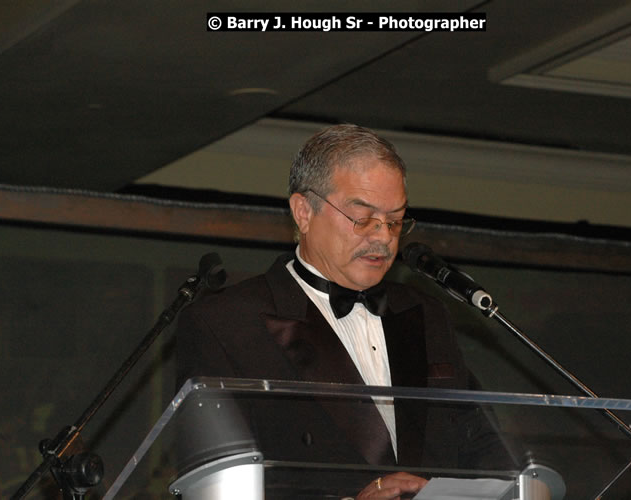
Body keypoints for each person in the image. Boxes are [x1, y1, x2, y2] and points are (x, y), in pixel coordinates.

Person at [175, 124, 504, 499]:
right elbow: (212, 485)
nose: (382, 236)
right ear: (303, 212)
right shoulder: (227, 323)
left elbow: (481, 447)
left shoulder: (427, 313)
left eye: (395, 220)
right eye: (362, 217)